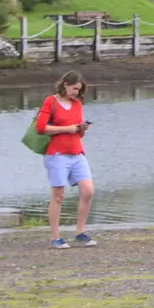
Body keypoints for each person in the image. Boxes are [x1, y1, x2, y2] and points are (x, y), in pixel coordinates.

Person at [35, 70, 95, 249]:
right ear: (65, 85)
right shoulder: (50, 101)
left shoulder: (77, 104)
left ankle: (81, 231)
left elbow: (77, 131)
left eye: (79, 90)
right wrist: (66, 129)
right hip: (57, 155)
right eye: (75, 89)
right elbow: (40, 128)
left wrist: (81, 129)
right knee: (58, 195)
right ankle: (56, 237)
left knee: (88, 191)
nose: (77, 93)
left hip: (77, 153)